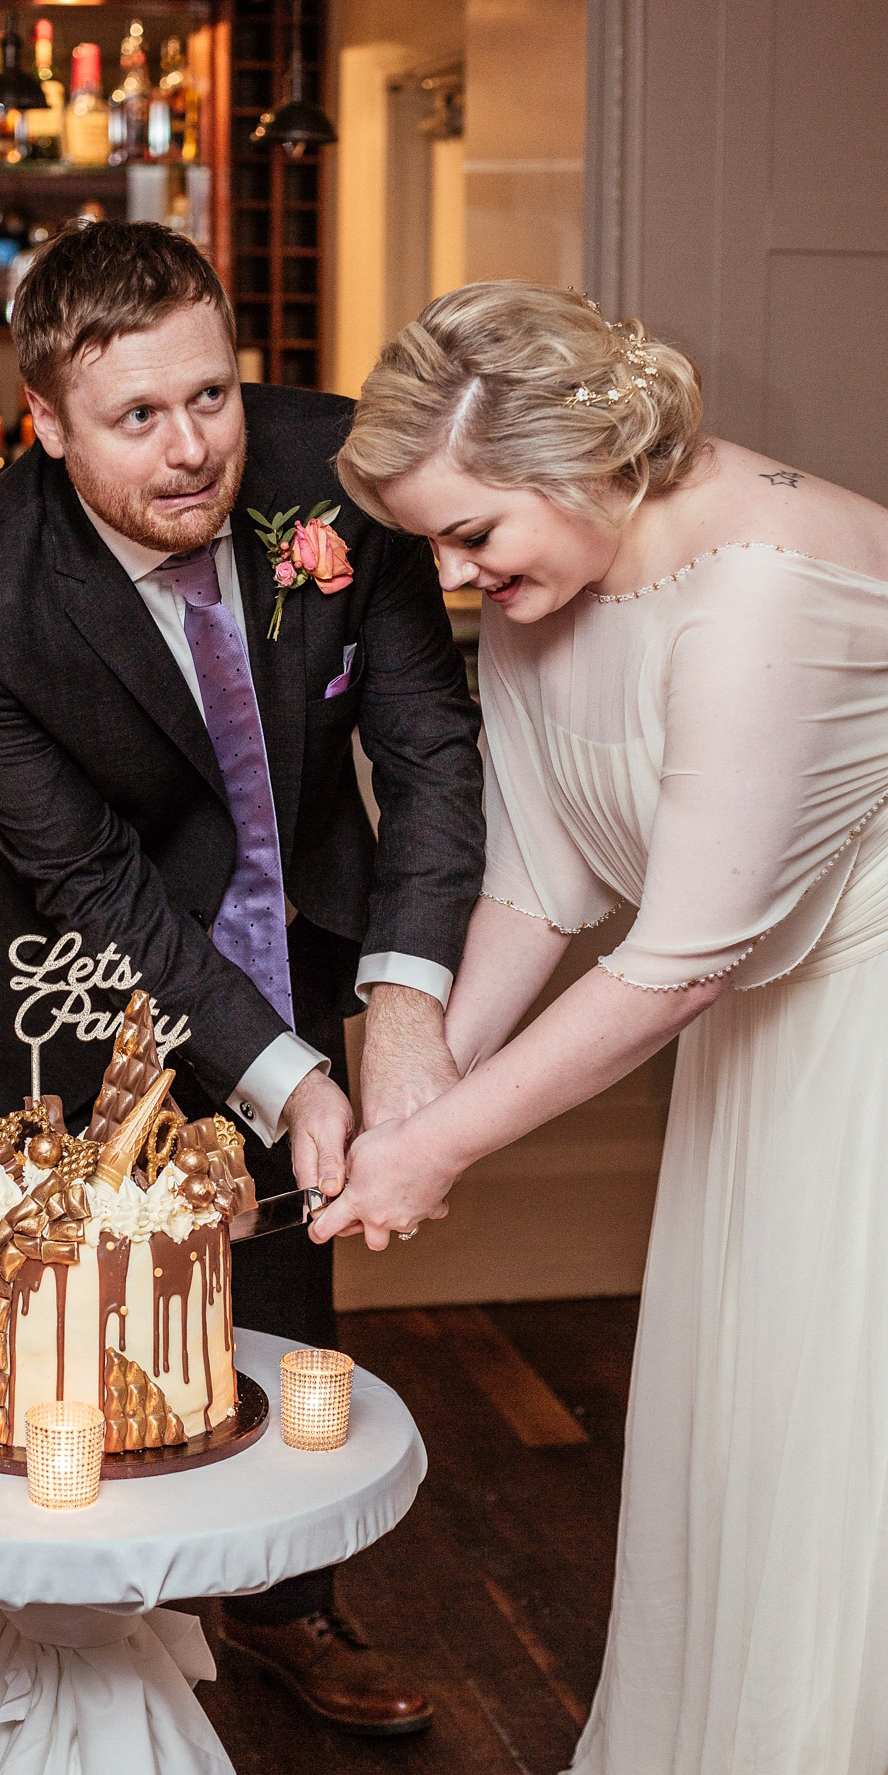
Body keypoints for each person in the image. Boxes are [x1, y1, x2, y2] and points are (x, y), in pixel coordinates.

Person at [0, 221, 485, 1735]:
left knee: (280, 1249)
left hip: (297, 911)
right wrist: (280, 1070)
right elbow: (89, 880)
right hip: (57, 957)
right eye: (137, 415)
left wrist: (398, 1012)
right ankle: (69, 1624)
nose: (193, 447)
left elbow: (425, 747)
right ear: (44, 424)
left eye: (210, 396)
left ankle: (289, 1613)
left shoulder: (342, 471)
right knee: (88, 1277)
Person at [320, 280, 888, 1773]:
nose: (449, 573)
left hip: (865, 1040)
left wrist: (435, 1147)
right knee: (744, 1441)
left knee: (838, 1448)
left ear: (577, 471)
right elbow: (541, 878)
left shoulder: (758, 588)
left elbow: (681, 961)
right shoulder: (547, 580)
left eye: (470, 533)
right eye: (430, 540)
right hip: (768, 1042)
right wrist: (407, 1093)